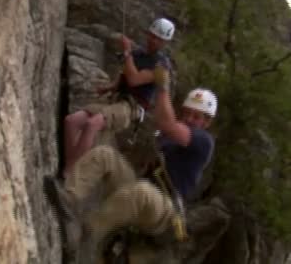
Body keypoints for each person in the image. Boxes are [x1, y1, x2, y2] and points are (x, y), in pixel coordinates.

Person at [46, 64, 217, 261]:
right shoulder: (168, 137)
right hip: (143, 188)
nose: (189, 118)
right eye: (187, 113)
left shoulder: (204, 141)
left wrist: (162, 87)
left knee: (141, 193)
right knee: (105, 156)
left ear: (206, 122)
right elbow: (163, 125)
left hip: (165, 209)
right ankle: (69, 199)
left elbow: (166, 124)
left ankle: (87, 235)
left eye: (196, 116)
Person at [62, 18, 175, 176]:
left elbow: (134, 80)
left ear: (165, 43)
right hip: (116, 99)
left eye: (158, 39)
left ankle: (71, 173)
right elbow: (124, 75)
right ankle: (68, 168)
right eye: (152, 36)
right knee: (71, 121)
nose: (153, 40)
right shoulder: (139, 54)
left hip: (130, 107)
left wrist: (127, 52)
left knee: (92, 124)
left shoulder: (161, 66)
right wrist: (110, 87)